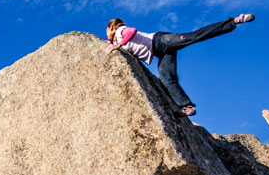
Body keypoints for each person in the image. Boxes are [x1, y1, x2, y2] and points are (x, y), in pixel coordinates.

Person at [106, 13, 256, 117]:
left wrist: (118, 44)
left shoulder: (120, 31)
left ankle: (234, 21)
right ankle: (187, 107)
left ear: (111, 27)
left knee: (194, 36)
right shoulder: (115, 42)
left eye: (107, 31)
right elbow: (105, 43)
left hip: (161, 41)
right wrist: (112, 44)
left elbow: (132, 31)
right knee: (166, 79)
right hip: (162, 53)